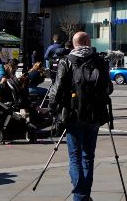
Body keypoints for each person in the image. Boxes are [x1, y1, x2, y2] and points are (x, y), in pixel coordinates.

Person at [49, 31, 113, 201]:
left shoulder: (66, 61)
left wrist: (53, 109)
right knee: (88, 157)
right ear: (88, 42)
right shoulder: (99, 61)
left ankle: (80, 196)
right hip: (95, 116)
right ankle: (85, 195)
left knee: (75, 156)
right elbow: (108, 88)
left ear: (74, 44)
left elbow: (57, 88)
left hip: (73, 115)